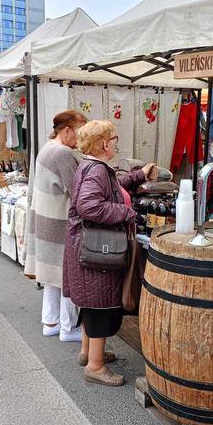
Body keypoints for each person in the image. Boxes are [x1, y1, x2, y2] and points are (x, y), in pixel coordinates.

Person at [63, 120, 153, 386]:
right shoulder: (97, 170)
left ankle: (87, 352)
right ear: (104, 143)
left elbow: (114, 186)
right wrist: (128, 212)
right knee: (100, 305)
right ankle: (96, 366)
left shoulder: (92, 166)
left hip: (86, 246)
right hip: (96, 249)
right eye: (114, 139)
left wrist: (139, 175)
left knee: (91, 302)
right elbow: (89, 205)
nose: (116, 143)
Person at [24, 110, 88, 342]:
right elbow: (78, 191)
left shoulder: (48, 147)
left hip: (46, 220)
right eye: (79, 132)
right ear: (67, 129)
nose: (80, 139)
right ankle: (68, 327)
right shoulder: (62, 153)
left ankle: (51, 321)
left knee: (53, 276)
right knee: (67, 276)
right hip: (59, 223)